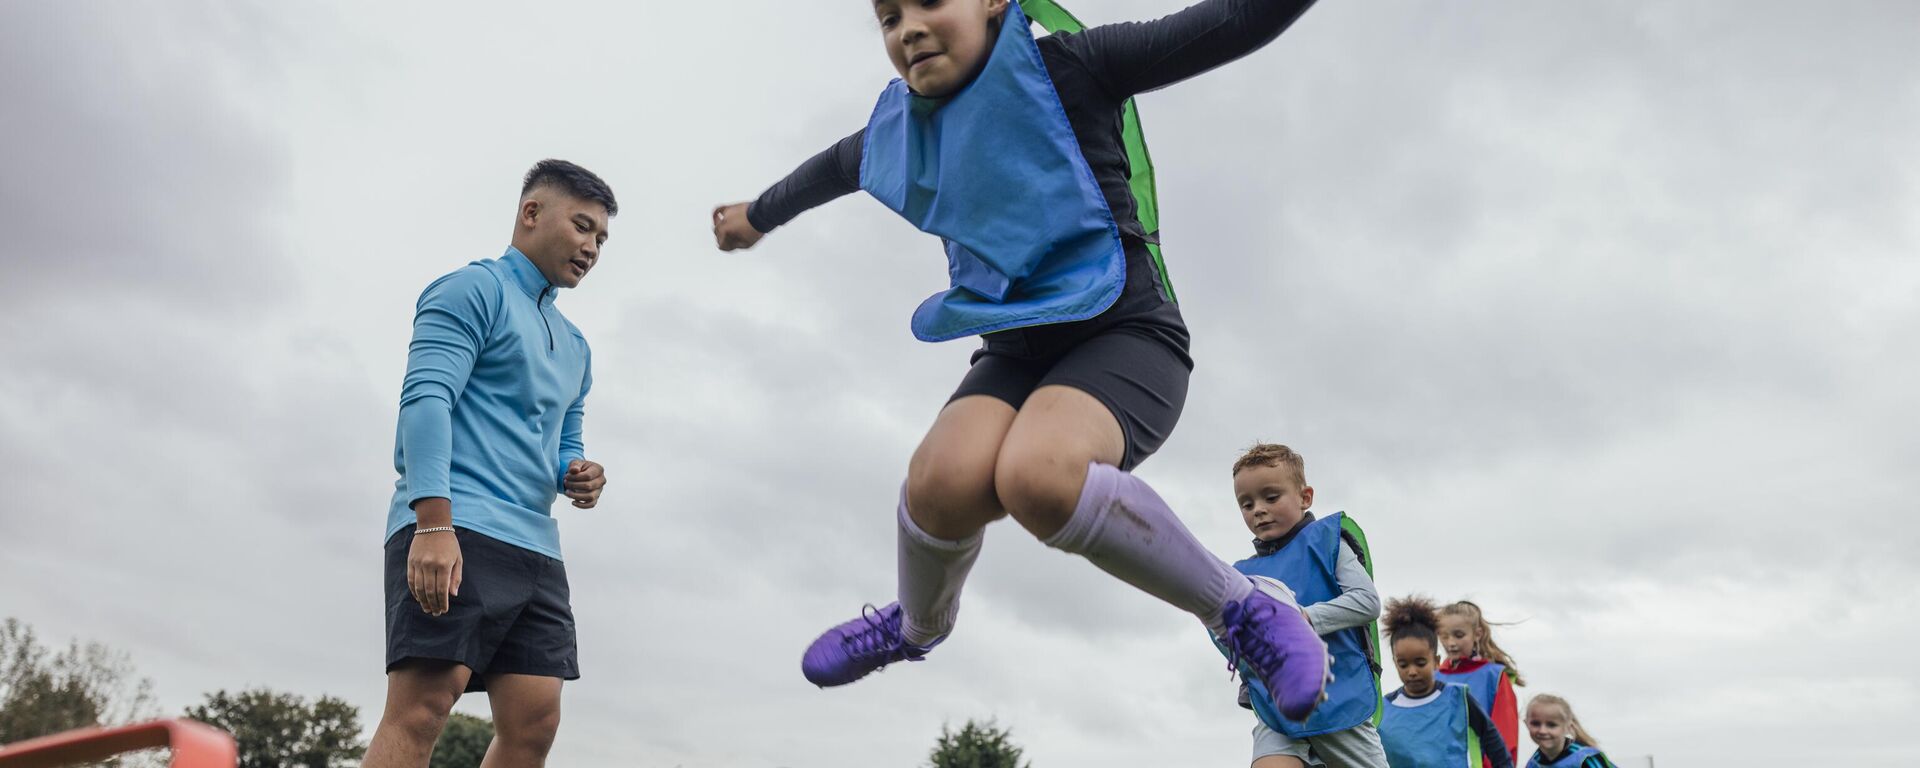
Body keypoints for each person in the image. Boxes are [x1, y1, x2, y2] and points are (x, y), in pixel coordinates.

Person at [709, 0, 1332, 718]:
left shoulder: (1075, 66)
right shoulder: (898, 132)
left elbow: (1229, 23)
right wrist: (758, 214)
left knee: (1037, 476)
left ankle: (1243, 609)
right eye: (887, 17)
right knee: (940, 480)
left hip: (1125, 336)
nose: (907, 27)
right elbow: (827, 170)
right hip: (1014, 353)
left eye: (929, 3)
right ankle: (915, 627)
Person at [362, 160, 615, 768]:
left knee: (534, 724)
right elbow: (426, 400)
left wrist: (576, 472)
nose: (591, 246)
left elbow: (565, 438)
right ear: (532, 213)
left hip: (536, 548)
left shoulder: (576, 344)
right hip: (455, 525)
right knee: (422, 708)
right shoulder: (470, 289)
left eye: (601, 238)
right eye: (582, 226)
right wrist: (432, 523)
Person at [1224, 444, 1387, 768]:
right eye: (1247, 503)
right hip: (1277, 707)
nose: (1258, 509)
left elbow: (1367, 602)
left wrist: (1304, 618)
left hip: (1338, 699)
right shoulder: (1242, 575)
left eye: (1271, 498)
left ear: (1305, 497)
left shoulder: (1327, 542)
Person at [1378, 596, 1512, 768]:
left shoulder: (1459, 698)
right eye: (1403, 664)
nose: (1412, 671)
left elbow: (1495, 745)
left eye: (1420, 663)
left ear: (1436, 661)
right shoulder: (1384, 709)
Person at [1436, 600, 1525, 767]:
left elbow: (1505, 738)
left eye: (1459, 635)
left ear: (1477, 634)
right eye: (1444, 635)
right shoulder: (1433, 677)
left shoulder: (1494, 677)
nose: (1451, 643)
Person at [1523, 695, 1614, 768]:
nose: (1542, 731)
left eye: (1551, 725)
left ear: (1568, 727)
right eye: (1535, 723)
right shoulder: (1534, 762)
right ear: (1526, 724)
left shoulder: (1586, 758)